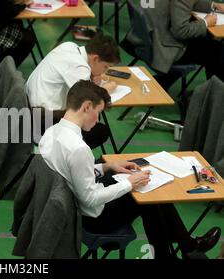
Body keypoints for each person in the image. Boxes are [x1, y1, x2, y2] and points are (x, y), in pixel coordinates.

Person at [38, 80, 221, 259]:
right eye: (99, 112)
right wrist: (129, 183)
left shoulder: (52, 132)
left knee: (146, 191)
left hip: (71, 203)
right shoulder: (79, 148)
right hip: (92, 217)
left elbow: (71, 171)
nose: (98, 119)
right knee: (149, 196)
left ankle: (184, 247)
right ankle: (184, 247)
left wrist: (107, 166)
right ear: (87, 106)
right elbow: (90, 198)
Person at [26, 33, 119, 149]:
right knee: (99, 130)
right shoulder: (80, 67)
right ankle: (65, 156)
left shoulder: (69, 46)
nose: (104, 72)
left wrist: (91, 77)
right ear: (95, 58)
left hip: (29, 106)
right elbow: (89, 102)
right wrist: (106, 89)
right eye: (105, 67)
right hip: (44, 120)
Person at [125, 0, 224, 89]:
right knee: (216, 51)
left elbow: (185, 4)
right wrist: (205, 23)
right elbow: (181, 31)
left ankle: (164, 81)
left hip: (145, 37)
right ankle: (213, 97)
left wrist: (213, 5)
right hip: (162, 48)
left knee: (206, 40)